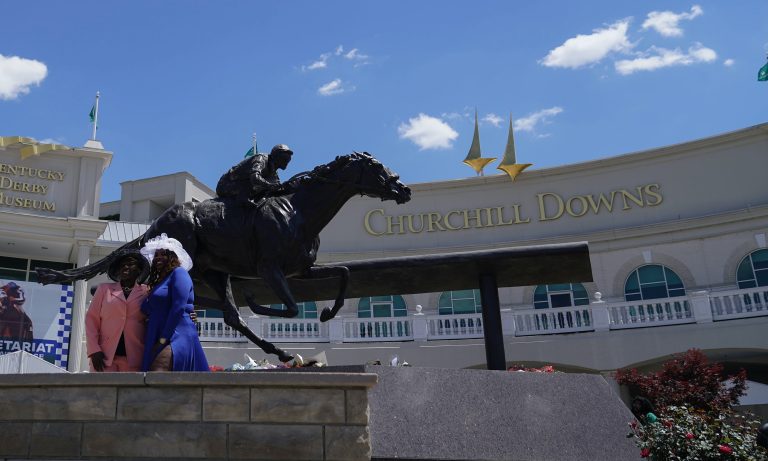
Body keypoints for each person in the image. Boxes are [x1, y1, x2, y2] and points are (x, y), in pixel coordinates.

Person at [140, 233, 209, 372]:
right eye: (156, 254)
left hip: (176, 332)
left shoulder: (179, 273)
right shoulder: (157, 284)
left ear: (172, 257)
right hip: (157, 332)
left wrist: (163, 339)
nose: (158, 257)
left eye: (163, 254)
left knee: (158, 370)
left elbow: (178, 307)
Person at [85, 249, 151, 372]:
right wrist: (94, 350)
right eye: (122, 265)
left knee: (130, 392)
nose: (125, 266)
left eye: (130, 263)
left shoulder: (146, 292)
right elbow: (91, 320)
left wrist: (189, 311)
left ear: (139, 269)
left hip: (134, 358)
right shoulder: (104, 290)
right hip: (103, 357)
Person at [215, 143, 294, 207]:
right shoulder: (261, 159)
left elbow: (277, 188)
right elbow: (255, 177)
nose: (287, 162)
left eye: (288, 159)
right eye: (285, 158)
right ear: (276, 156)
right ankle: (242, 201)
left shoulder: (274, 173)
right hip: (226, 185)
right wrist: (269, 185)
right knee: (258, 184)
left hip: (244, 189)